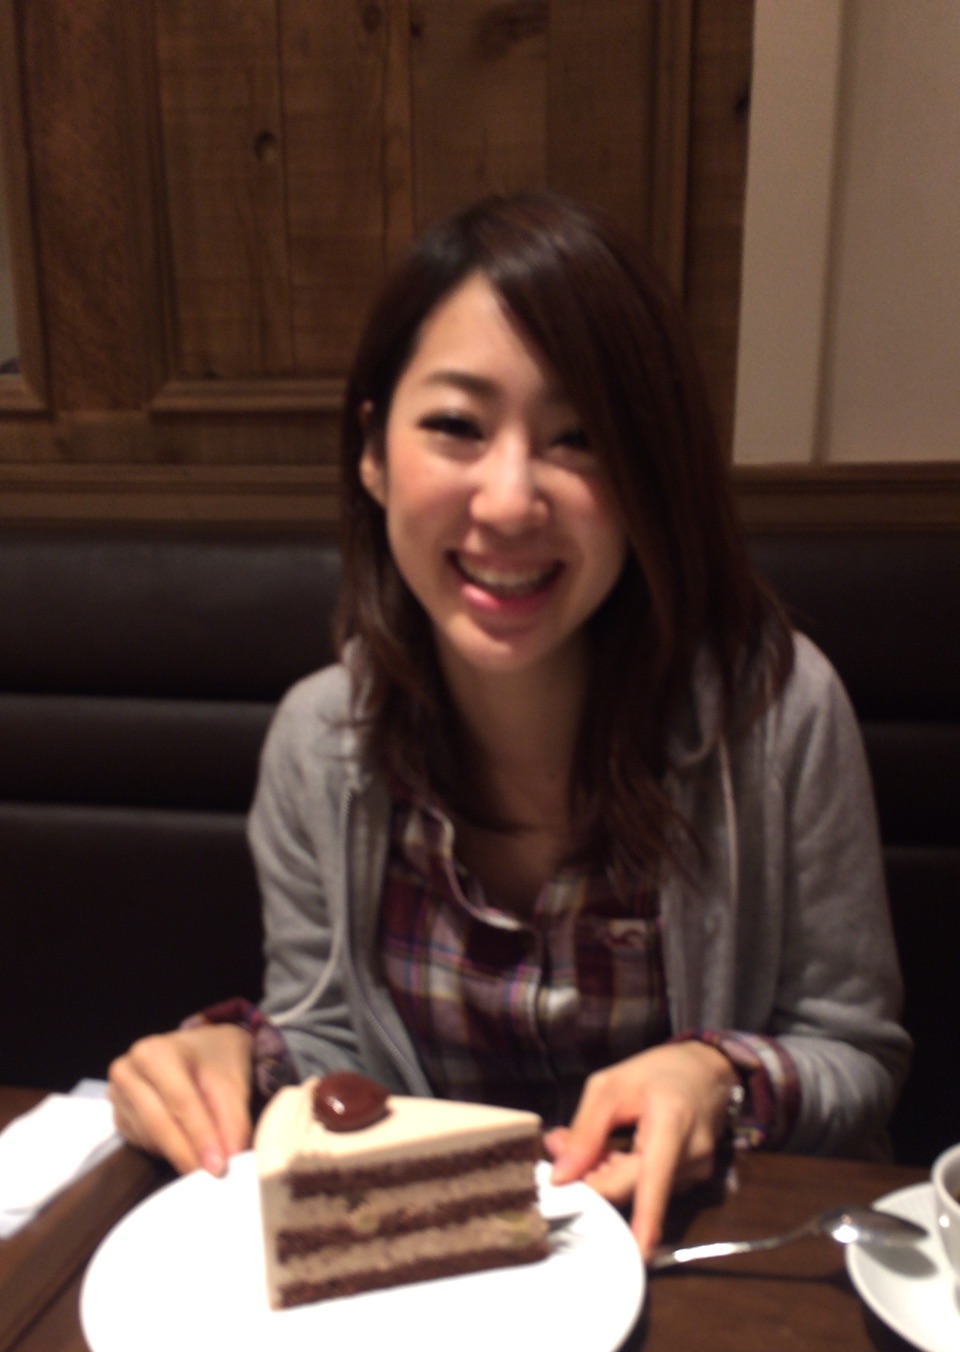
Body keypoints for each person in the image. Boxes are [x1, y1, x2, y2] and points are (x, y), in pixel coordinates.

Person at [109, 190, 910, 1258]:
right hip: (441, 1281)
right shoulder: (320, 743)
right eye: (456, 426)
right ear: (373, 451)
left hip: (704, 1267)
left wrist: (716, 1073)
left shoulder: (775, 712)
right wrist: (236, 1057)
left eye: (581, 437)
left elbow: (858, 1055)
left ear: (647, 475)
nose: (509, 499)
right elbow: (329, 1035)